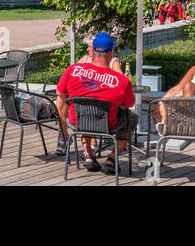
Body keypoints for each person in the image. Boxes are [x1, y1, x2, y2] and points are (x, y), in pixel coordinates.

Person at [55, 33, 136, 173]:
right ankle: (112, 158)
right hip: (107, 125)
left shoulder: (72, 70)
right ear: (111, 52)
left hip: (77, 122)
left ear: (93, 50)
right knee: (131, 118)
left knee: (85, 116)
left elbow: (61, 94)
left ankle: (88, 154)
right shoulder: (122, 81)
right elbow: (128, 104)